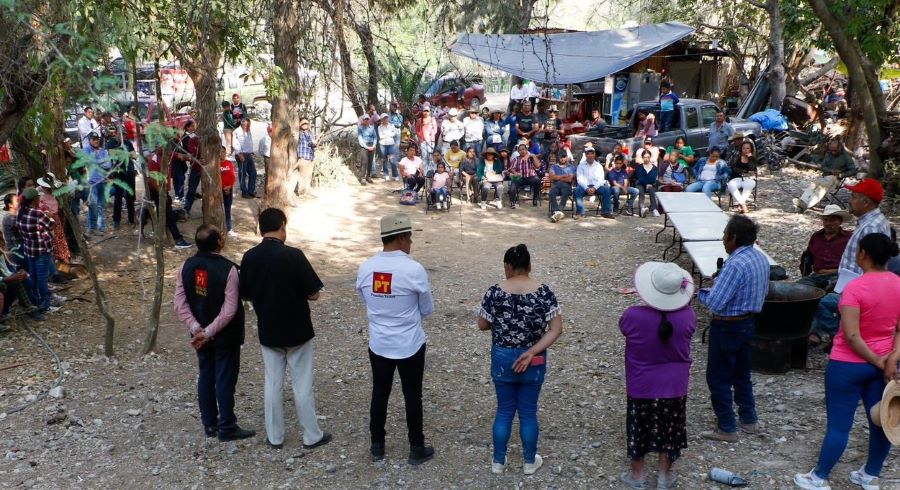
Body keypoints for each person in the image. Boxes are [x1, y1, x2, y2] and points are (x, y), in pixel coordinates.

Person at [794, 233, 900, 490]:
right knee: (881, 419)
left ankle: (819, 477)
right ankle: (870, 475)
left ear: (863, 254)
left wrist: (877, 360)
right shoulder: (898, 283)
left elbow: (852, 336)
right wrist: (891, 359)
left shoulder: (855, 288)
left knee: (840, 425)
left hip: (847, 365)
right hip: (884, 363)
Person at [239, 208, 332, 451]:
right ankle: (311, 435)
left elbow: (245, 294)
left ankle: (275, 436)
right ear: (282, 226)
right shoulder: (293, 255)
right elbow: (314, 294)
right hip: (298, 328)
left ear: (261, 228)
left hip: (268, 328)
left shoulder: (249, 257)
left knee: (272, 383)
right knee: (302, 384)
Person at [356, 213, 435, 465]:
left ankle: (377, 445)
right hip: (409, 342)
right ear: (401, 238)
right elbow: (427, 308)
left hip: (379, 341)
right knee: (412, 395)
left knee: (380, 392)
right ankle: (416, 447)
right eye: (409, 238)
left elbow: (363, 296)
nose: (411, 243)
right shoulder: (413, 269)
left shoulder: (367, 267)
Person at [477, 244, 562, 475]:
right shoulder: (544, 292)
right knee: (528, 412)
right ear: (529, 266)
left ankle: (498, 462)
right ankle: (528, 462)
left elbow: (482, 324)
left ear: (508, 266)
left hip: (502, 357)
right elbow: (555, 329)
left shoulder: (494, 291)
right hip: (533, 358)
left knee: (504, 410)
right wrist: (532, 351)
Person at [620, 262, 697, 489]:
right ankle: (664, 475)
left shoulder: (632, 316)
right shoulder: (689, 317)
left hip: (641, 382)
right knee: (670, 427)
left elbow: (624, 329)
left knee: (639, 427)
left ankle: (638, 475)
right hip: (675, 384)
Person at [174, 224, 254, 441]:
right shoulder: (229, 270)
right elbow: (229, 310)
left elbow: (179, 303)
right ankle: (227, 426)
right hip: (224, 336)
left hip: (200, 336)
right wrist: (207, 331)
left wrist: (195, 328)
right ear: (220, 242)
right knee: (225, 380)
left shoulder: (186, 266)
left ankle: (209, 424)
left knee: (206, 376)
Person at [698, 215, 770, 442]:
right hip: (748, 323)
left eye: (725, 235)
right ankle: (749, 419)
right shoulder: (759, 258)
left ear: (734, 237)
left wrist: (694, 291)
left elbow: (716, 303)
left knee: (718, 377)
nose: (722, 239)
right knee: (741, 373)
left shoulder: (735, 264)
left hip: (727, 325)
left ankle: (727, 427)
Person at [810, 179, 891, 348]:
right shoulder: (870, 222)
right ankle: (843, 336)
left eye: (854, 196)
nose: (850, 200)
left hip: (858, 287)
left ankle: (845, 337)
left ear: (866, 202)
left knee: (818, 303)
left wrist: (853, 290)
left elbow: (871, 264)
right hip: (850, 283)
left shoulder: (871, 227)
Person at [146, 147, 193, 250]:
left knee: (165, 214)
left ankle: (161, 237)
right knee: (168, 215)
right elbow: (154, 181)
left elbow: (180, 156)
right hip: (156, 191)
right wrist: (162, 194)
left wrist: (192, 158)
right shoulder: (153, 161)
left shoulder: (168, 153)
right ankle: (178, 240)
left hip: (163, 190)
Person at [15, 188, 54, 313]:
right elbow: (51, 225)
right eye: (38, 197)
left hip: (29, 249)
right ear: (34, 199)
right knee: (42, 278)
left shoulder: (20, 214)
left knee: (34, 277)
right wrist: (50, 216)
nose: (39, 199)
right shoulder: (37, 213)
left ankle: (37, 300)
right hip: (42, 249)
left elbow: (21, 232)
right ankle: (46, 302)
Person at [798, 204, 852, 293]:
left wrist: (836, 271)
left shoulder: (848, 238)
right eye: (826, 220)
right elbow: (807, 257)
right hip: (816, 276)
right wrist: (805, 273)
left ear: (840, 221)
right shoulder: (816, 237)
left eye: (832, 220)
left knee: (832, 292)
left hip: (837, 276)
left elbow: (854, 263)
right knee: (797, 290)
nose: (828, 223)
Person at [793, 140, 857, 212]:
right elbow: (823, 167)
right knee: (812, 185)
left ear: (840, 148)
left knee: (821, 189)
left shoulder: (846, 157)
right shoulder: (829, 154)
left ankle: (807, 205)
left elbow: (853, 171)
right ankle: (802, 202)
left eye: (835, 151)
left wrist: (841, 174)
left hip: (835, 179)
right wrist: (830, 170)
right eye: (831, 150)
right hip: (824, 177)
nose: (833, 152)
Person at [105, 126, 137, 230]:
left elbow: (134, 155)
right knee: (118, 197)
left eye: (124, 134)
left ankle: (131, 218)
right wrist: (125, 153)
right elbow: (112, 154)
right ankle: (116, 220)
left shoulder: (128, 143)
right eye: (121, 134)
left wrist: (123, 153)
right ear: (116, 134)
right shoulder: (111, 142)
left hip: (130, 172)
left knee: (130, 196)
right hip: (118, 173)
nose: (123, 136)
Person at [83, 134, 111, 235]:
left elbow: (109, 165)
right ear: (90, 140)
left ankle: (101, 227)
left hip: (103, 181)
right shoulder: (86, 150)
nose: (96, 141)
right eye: (94, 139)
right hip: (92, 182)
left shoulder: (103, 150)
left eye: (97, 139)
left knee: (101, 206)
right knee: (92, 205)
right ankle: (92, 227)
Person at [575, 147, 614, 219]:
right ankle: (580, 212)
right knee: (577, 190)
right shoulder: (581, 166)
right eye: (588, 154)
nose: (590, 156)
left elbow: (601, 180)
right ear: (586, 155)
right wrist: (586, 188)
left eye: (592, 154)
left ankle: (606, 212)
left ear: (594, 155)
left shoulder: (598, 166)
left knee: (606, 189)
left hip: (596, 187)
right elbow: (579, 180)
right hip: (584, 187)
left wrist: (594, 188)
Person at [726, 141, 758, 214]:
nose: (745, 150)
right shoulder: (736, 156)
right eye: (744, 148)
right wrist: (744, 171)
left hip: (748, 178)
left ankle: (741, 205)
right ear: (741, 149)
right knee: (731, 184)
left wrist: (750, 158)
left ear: (751, 149)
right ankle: (743, 204)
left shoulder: (753, 159)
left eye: (748, 148)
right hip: (736, 178)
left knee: (750, 184)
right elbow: (733, 167)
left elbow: (752, 168)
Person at [507, 142, 541, 208]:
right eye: (520, 150)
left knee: (537, 180)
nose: (522, 151)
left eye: (523, 149)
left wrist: (534, 156)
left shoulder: (531, 157)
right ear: (518, 151)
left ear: (526, 150)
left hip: (531, 176)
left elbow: (537, 166)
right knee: (512, 186)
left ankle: (535, 199)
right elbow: (511, 168)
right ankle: (513, 202)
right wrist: (515, 172)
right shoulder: (516, 159)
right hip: (520, 177)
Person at [181, 120, 204, 214]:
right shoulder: (189, 138)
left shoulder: (197, 137)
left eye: (195, 126)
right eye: (192, 126)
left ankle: (206, 210)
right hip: (196, 166)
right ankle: (186, 209)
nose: (194, 128)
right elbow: (191, 152)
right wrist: (197, 156)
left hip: (206, 167)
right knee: (191, 189)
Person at [548, 151, 576, 222]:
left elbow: (570, 179)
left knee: (565, 192)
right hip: (556, 185)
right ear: (558, 158)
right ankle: (558, 212)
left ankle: (557, 211)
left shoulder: (571, 167)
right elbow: (551, 177)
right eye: (561, 157)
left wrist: (557, 177)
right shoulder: (554, 166)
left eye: (564, 157)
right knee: (551, 193)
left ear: (567, 157)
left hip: (567, 185)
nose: (562, 159)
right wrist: (564, 176)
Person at [635, 149, 660, 218]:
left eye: (648, 157)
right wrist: (646, 183)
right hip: (640, 184)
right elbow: (640, 178)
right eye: (645, 157)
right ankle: (642, 209)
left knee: (651, 189)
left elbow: (653, 178)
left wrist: (648, 183)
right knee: (641, 191)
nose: (647, 159)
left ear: (650, 157)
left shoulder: (654, 168)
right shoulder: (639, 167)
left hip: (650, 185)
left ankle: (654, 209)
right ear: (642, 158)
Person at [295, 118, 317, 197]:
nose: (305, 125)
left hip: (310, 157)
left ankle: (306, 191)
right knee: (302, 176)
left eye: (306, 123)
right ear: (300, 124)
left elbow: (313, 144)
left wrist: (315, 145)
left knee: (308, 176)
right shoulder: (299, 133)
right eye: (303, 123)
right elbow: (310, 142)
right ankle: (301, 193)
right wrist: (313, 143)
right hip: (303, 157)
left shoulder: (310, 133)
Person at [219, 146, 238, 237]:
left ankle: (229, 228)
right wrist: (222, 187)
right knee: (218, 209)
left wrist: (229, 187)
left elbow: (233, 177)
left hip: (228, 189)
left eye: (223, 152)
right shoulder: (215, 164)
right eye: (219, 152)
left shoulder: (229, 163)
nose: (221, 154)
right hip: (219, 190)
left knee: (227, 209)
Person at [357, 114, 377, 185]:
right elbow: (360, 138)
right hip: (364, 146)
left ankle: (368, 176)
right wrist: (366, 147)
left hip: (372, 145)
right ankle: (362, 178)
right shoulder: (360, 128)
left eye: (368, 119)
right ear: (363, 120)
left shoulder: (372, 128)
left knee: (370, 162)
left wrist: (374, 145)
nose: (367, 120)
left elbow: (375, 137)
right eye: (365, 119)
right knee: (364, 162)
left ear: (369, 120)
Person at [378, 115, 399, 181]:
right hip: (383, 144)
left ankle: (395, 175)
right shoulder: (379, 127)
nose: (385, 119)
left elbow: (394, 133)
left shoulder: (391, 126)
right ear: (382, 119)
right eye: (384, 118)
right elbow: (381, 136)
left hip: (391, 144)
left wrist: (386, 134)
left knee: (392, 160)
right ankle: (386, 175)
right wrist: (389, 134)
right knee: (385, 160)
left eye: (386, 118)